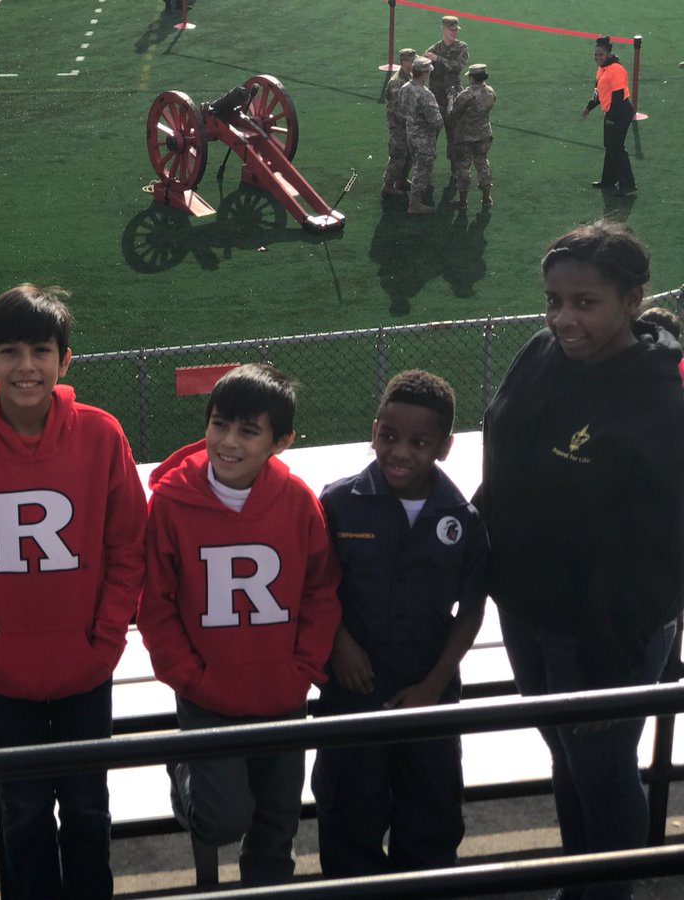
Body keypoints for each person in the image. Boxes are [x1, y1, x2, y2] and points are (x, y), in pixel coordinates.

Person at [475, 220, 684, 900]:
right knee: (567, 760)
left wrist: (605, 663)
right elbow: (503, 465)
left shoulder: (663, 400)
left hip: (602, 636)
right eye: (554, 300)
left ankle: (606, 891)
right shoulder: (542, 352)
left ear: (632, 300)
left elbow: (657, 551)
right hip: (527, 612)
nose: (563, 319)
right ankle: (578, 882)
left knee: (601, 770)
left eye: (585, 303)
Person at [0, 284, 147, 900]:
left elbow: (128, 546)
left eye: (41, 350)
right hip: (7, 670)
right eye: (10, 352)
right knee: (20, 813)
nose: (26, 366)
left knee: (87, 806)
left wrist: (106, 637)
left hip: (86, 664)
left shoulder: (101, 435)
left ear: (64, 360)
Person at [138, 364, 341, 887]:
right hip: (208, 695)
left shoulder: (297, 502)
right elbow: (155, 605)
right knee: (224, 817)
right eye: (219, 424)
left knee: (277, 824)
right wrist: (190, 677)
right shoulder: (171, 504)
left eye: (248, 431)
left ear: (281, 441)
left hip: (281, 691)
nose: (229, 442)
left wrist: (302, 668)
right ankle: (183, 770)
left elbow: (320, 591)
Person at [314, 370, 488, 876]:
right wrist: (339, 644)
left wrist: (434, 685)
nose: (400, 453)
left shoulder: (463, 518)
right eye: (389, 436)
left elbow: (471, 609)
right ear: (374, 432)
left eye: (419, 442)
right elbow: (314, 587)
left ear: (445, 447)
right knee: (349, 817)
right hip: (352, 695)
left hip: (428, 696)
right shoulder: (337, 504)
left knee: (431, 819)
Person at [584, 36, 636, 196]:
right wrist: (589, 107)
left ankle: (628, 185)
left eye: (601, 54)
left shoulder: (616, 70)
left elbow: (618, 97)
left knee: (617, 147)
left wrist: (611, 119)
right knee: (609, 145)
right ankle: (608, 180)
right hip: (612, 111)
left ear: (608, 54)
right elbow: (599, 93)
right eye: (596, 55)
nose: (597, 57)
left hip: (621, 112)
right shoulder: (601, 69)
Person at [397, 56, 443, 215]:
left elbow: (401, 110)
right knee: (422, 168)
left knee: (417, 162)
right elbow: (435, 121)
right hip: (424, 136)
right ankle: (415, 204)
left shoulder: (405, 88)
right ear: (424, 73)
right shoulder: (425, 94)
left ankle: (412, 192)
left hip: (411, 131)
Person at [447, 63, 496, 208]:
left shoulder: (467, 95)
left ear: (473, 78)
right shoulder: (490, 92)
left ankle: (463, 200)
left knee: (463, 166)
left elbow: (452, 113)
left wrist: (451, 99)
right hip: (484, 133)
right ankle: (486, 198)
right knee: (483, 164)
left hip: (465, 136)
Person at [425, 15, 469, 161]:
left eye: (456, 30)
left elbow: (457, 66)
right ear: (443, 29)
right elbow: (421, 65)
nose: (454, 33)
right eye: (451, 30)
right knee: (430, 137)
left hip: (453, 96)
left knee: (455, 138)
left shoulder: (461, 47)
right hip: (436, 98)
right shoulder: (434, 48)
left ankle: (456, 170)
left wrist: (437, 59)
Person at [382, 48, 417, 198]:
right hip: (399, 126)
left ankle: (401, 180)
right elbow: (398, 109)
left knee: (408, 154)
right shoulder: (397, 82)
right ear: (404, 61)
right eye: (412, 61)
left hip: (408, 125)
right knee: (398, 156)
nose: (414, 63)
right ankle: (388, 185)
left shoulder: (409, 77)